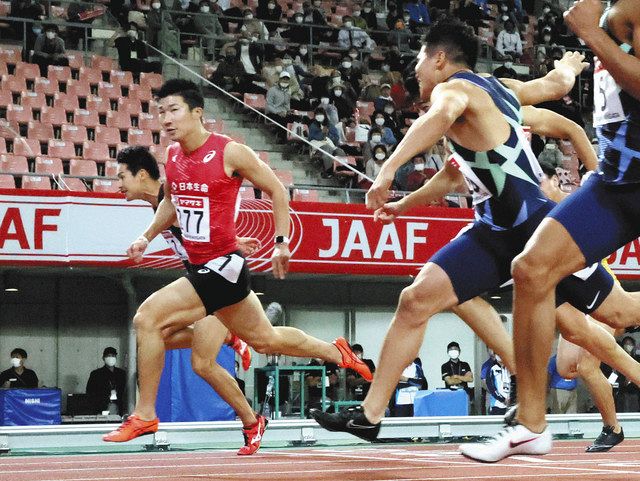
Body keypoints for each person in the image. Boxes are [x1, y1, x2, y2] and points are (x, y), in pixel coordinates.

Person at [308, 16, 629, 451]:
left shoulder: (451, 91)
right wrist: (570, 65)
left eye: (419, 61)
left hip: (537, 228)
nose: (415, 71)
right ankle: (370, 415)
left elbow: (440, 115)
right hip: (493, 232)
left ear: (439, 58)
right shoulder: (501, 87)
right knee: (415, 299)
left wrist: (386, 170)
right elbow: (552, 86)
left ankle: (534, 396)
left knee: (619, 315)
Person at [105, 79, 372, 452]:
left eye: (173, 110)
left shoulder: (231, 152)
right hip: (204, 268)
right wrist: (146, 237)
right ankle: (337, 352)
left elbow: (278, 190)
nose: (165, 119)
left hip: (223, 267)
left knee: (147, 319)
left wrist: (281, 242)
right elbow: (172, 203)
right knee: (266, 339)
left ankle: (145, 413)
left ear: (198, 112)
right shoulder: (175, 157)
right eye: (161, 111)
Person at [483, 0, 640, 462]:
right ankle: (531, 424)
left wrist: (592, 36)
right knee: (529, 270)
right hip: (614, 181)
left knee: (604, 333)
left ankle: (609, 424)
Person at [107, 145, 269, 454]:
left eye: (121, 177)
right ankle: (232, 340)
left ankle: (250, 420)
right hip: (201, 279)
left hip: (216, 280)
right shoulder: (157, 205)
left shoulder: (172, 195)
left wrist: (232, 244)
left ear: (142, 175)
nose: (118, 184)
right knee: (157, 339)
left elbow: (205, 225)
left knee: (201, 363)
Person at [86, 347, 127, 415]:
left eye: (113, 356)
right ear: (103, 358)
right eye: (108, 356)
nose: (111, 358)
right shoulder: (96, 374)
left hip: (119, 407)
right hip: (101, 407)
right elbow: (90, 393)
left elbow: (125, 391)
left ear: (116, 358)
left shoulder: (121, 373)